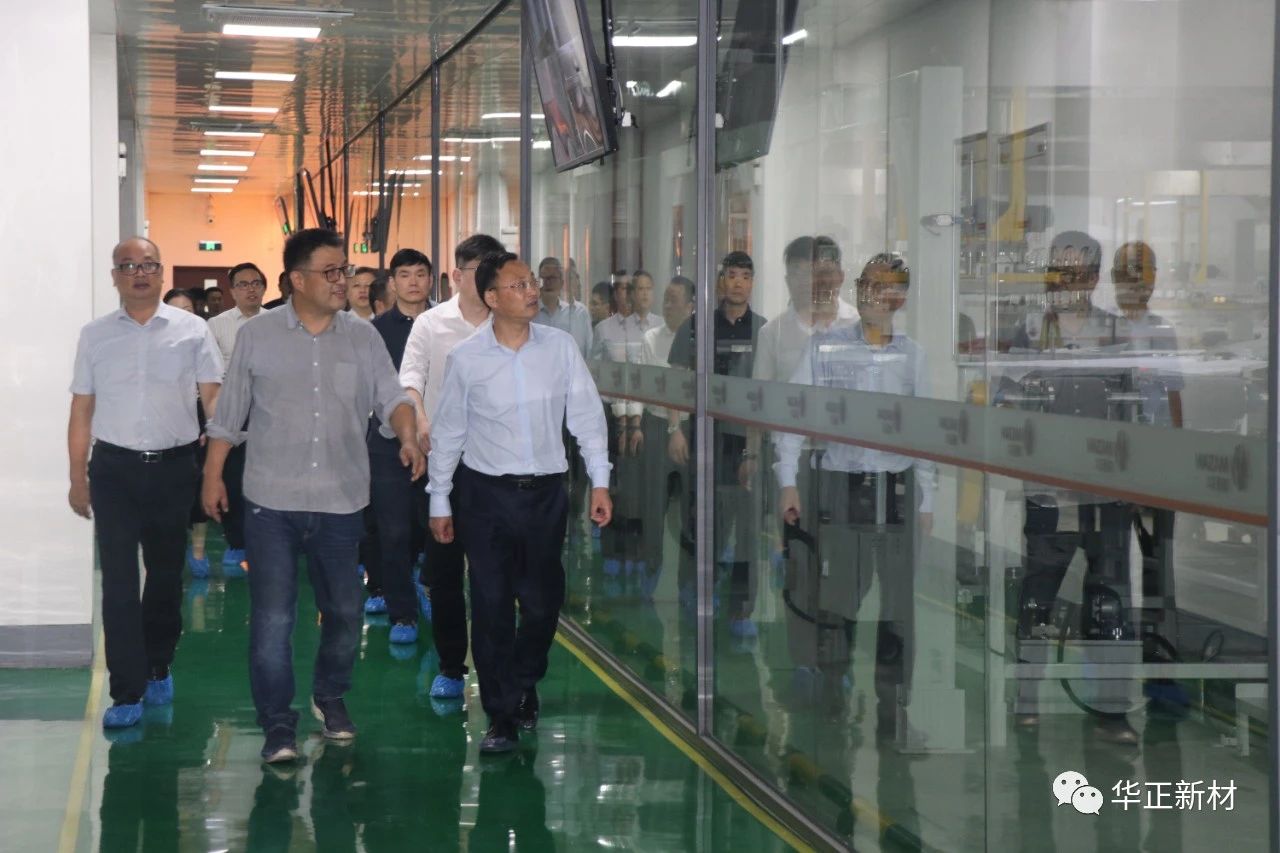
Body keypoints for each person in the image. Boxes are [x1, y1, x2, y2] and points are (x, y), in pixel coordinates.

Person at [203, 228, 424, 763]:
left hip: (342, 501)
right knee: (274, 619)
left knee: (345, 613)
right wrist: (212, 475)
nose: (342, 280)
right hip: (271, 502)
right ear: (296, 280)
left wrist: (408, 434)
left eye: (344, 270)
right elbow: (229, 414)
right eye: (330, 272)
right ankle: (278, 725)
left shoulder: (363, 337)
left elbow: (392, 397)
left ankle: (330, 697)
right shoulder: (258, 336)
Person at [428, 251, 613, 754]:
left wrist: (600, 481)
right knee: (490, 604)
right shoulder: (467, 358)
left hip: (546, 496)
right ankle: (501, 714)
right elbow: (449, 432)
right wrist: (440, 500)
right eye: (518, 285)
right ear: (491, 297)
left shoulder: (560, 348)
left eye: (531, 282)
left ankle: (523, 678)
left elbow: (586, 417)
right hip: (485, 496)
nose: (532, 291)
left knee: (541, 603)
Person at [775, 252, 936, 739]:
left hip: (897, 492)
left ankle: (893, 713)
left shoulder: (913, 356)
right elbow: (792, 413)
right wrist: (787, 480)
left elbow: (925, 432)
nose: (872, 294)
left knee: (898, 610)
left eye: (885, 287)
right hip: (841, 490)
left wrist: (927, 500)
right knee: (838, 604)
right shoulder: (825, 348)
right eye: (867, 284)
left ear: (900, 298)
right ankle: (833, 702)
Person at [68, 238, 223, 730]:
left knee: (164, 576)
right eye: (128, 265)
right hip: (113, 470)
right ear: (114, 275)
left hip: (174, 469)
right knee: (117, 581)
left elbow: (213, 398)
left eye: (148, 265)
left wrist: (219, 462)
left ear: (161, 272)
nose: (139, 273)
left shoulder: (192, 330)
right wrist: (76, 476)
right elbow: (82, 409)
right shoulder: (95, 335)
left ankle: (158, 663)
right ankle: (126, 690)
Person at [999, 231, 1139, 745]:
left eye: (1076, 272)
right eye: (1057, 271)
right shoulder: (1028, 331)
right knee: (1038, 598)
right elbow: (1005, 402)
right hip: (1050, 493)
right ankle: (1027, 699)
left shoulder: (1116, 333)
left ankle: (1111, 711)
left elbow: (1135, 411)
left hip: (1106, 495)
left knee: (1109, 602)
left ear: (1095, 278)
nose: (1065, 281)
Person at [399, 233, 505, 703]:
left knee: (493, 573)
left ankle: (497, 666)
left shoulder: (510, 322)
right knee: (444, 571)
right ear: (458, 275)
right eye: (478, 271)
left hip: (499, 465)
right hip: (447, 463)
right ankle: (450, 665)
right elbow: (411, 378)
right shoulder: (431, 323)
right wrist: (420, 416)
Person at [667, 251, 765, 637]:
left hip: (744, 442)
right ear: (721, 280)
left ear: (752, 283)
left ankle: (741, 609)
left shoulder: (763, 331)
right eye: (732, 275)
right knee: (702, 518)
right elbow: (677, 380)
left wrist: (754, 450)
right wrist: (675, 428)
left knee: (746, 529)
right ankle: (697, 590)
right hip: (703, 436)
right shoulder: (697, 326)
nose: (738, 283)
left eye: (746, 276)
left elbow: (765, 395)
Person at [364, 248, 432, 644]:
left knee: (434, 529)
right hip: (388, 445)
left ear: (430, 279)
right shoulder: (373, 331)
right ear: (392, 283)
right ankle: (402, 613)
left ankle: (428, 587)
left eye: (420, 274)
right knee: (392, 531)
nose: (413, 282)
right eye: (404, 275)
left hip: (440, 445)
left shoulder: (445, 325)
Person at [205, 262, 268, 576]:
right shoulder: (217, 326)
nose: (250, 289)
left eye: (256, 283)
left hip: (268, 408)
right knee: (232, 475)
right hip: (231, 408)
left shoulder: (277, 322)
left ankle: (264, 538)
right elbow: (210, 373)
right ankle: (236, 542)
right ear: (232, 291)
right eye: (243, 284)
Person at [638, 276, 695, 592]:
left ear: (690, 306)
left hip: (691, 428)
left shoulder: (699, 341)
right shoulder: (651, 338)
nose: (667, 305)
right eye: (666, 299)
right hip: (658, 425)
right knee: (653, 504)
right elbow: (649, 388)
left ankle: (688, 581)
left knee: (691, 507)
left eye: (674, 300)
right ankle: (651, 571)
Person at [533, 256, 593, 359]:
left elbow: (589, 353)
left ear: (561, 282)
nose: (548, 283)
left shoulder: (579, 312)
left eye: (553, 278)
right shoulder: (529, 313)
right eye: (544, 278)